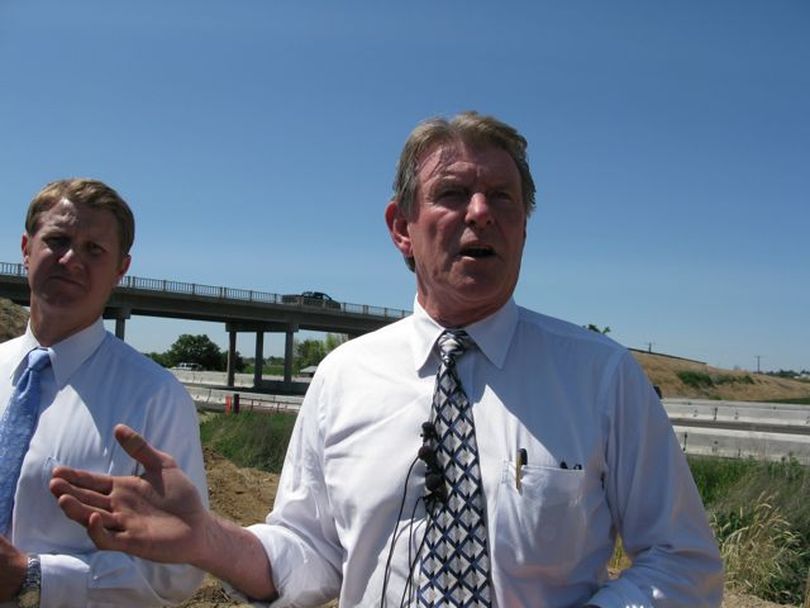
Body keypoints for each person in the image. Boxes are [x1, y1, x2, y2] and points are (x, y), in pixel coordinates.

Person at [51, 114, 723, 607]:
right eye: (454, 194)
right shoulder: (344, 377)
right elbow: (310, 555)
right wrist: (208, 541)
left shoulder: (602, 376)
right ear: (402, 226)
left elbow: (684, 561)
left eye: (504, 199)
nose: (481, 213)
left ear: (523, 226)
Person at [0, 179, 208, 607]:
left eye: (95, 249)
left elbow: (178, 570)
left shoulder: (155, 397)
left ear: (120, 269)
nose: (71, 258)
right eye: (57, 240)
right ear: (25, 248)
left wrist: (32, 579)